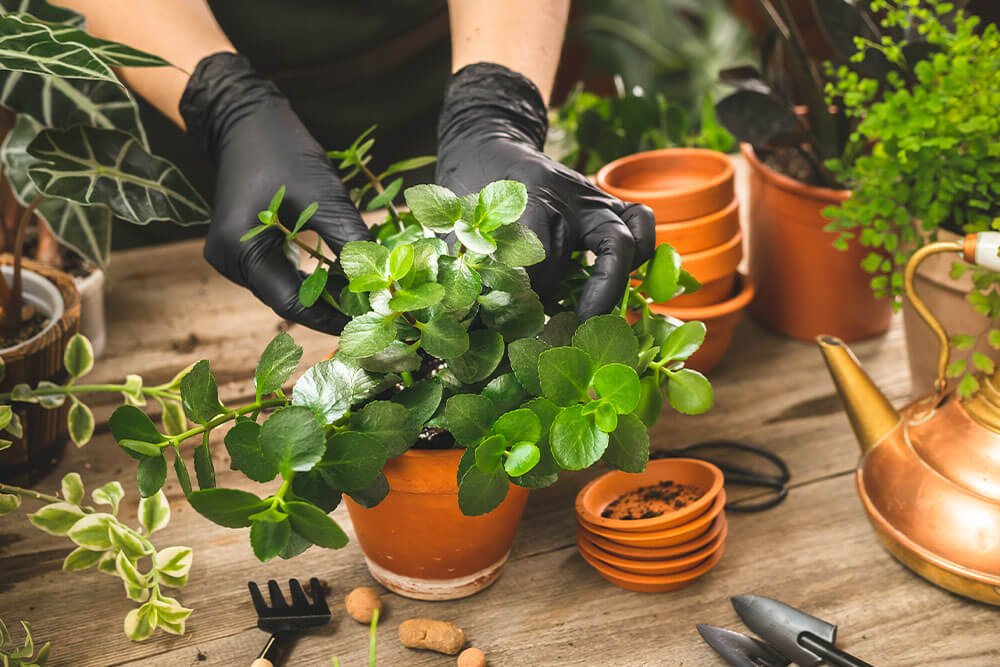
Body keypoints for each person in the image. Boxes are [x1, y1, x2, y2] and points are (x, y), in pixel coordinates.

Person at [60, 1, 654, 333]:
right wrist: (220, 99)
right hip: (161, 93)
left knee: (457, 307)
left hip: (440, 66)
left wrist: (493, 104)